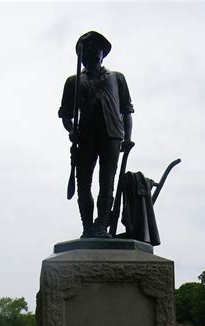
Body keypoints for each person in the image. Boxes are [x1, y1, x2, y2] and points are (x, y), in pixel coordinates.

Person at [58, 31, 134, 239]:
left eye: (97, 48)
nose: (92, 52)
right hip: (85, 136)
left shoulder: (117, 78)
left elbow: (126, 110)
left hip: (111, 135)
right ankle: (88, 228)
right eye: (88, 49)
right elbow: (65, 115)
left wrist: (127, 137)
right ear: (81, 55)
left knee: (107, 182)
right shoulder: (73, 81)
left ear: (103, 53)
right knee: (83, 183)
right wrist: (71, 130)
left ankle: (101, 225)